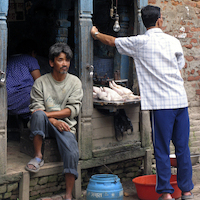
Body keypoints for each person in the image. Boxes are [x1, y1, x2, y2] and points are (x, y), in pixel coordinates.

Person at [91, 5, 194, 200]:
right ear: (160, 20)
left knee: (162, 149)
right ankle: (187, 191)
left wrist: (95, 33)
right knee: (182, 148)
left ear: (143, 22)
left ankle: (166, 194)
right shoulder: (173, 42)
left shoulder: (139, 42)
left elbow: (112, 41)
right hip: (180, 101)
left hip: (162, 105)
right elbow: (179, 68)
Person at [25, 42, 83, 200]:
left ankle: (68, 195)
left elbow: (72, 110)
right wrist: (52, 120)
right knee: (37, 115)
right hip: (44, 124)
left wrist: (51, 116)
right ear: (51, 62)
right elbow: (37, 110)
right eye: (60, 60)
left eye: (67, 60)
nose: (65, 64)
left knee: (72, 153)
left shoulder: (75, 82)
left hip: (65, 125)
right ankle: (38, 157)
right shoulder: (41, 82)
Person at [6, 39, 41, 121]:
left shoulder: (8, 60)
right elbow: (39, 81)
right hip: (23, 98)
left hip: (5, 98)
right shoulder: (30, 59)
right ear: (33, 53)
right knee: (39, 93)